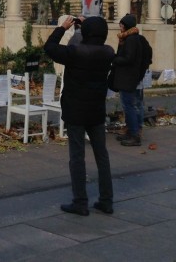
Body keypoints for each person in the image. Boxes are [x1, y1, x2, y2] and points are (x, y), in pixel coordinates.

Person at [44, 15, 115, 216]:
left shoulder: (75, 53)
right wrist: (89, 26)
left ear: (85, 32)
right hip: (96, 111)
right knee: (102, 156)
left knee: (77, 157)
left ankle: (80, 201)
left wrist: (62, 28)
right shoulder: (108, 52)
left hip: (75, 110)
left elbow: (49, 47)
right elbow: (96, 41)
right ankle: (106, 200)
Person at [110, 14, 152, 147]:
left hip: (128, 78)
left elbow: (128, 58)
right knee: (131, 105)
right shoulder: (131, 38)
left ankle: (134, 135)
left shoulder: (130, 40)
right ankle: (131, 131)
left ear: (126, 25)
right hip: (130, 77)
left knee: (129, 106)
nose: (120, 27)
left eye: (122, 24)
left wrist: (114, 58)